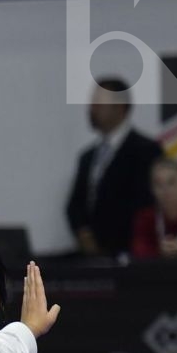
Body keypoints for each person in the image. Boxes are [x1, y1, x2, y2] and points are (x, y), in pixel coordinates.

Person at [67, 79, 163, 258]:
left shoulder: (146, 151)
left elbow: (145, 203)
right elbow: (75, 204)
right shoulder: (87, 157)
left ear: (119, 107)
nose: (92, 109)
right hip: (90, 256)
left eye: (98, 103)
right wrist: (83, 233)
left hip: (130, 255)